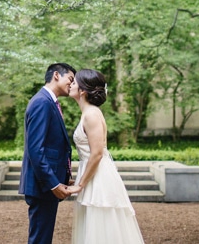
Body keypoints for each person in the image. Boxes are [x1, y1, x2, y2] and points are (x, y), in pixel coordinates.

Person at [65, 69, 145, 244]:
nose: (70, 84)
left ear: (83, 91)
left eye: (74, 82)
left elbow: (97, 153)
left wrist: (80, 185)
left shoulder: (92, 114)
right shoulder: (87, 113)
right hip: (91, 173)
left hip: (99, 177)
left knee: (101, 226)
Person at [19, 62, 76, 244]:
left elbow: (54, 146)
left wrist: (63, 177)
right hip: (43, 185)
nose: (72, 84)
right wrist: (53, 184)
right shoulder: (42, 102)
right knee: (40, 240)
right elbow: (36, 149)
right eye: (71, 79)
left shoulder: (49, 102)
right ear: (57, 75)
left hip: (47, 183)